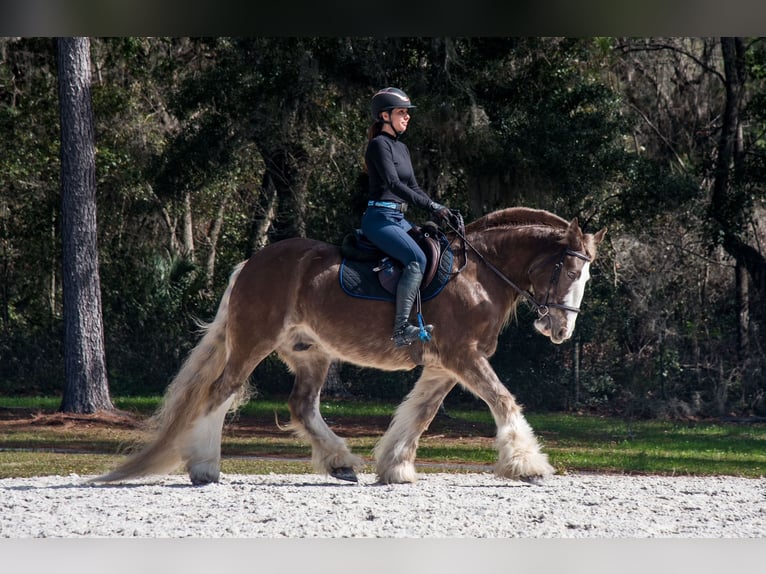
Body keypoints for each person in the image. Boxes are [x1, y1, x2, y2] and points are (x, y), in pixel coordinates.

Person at [361, 87, 454, 347]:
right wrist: (430, 205)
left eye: (407, 113)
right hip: (379, 218)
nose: (407, 117)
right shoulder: (379, 145)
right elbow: (393, 182)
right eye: (401, 112)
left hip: (399, 219)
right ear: (384, 116)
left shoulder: (402, 148)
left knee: (433, 248)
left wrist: (438, 207)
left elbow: (412, 186)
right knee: (416, 258)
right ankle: (401, 329)